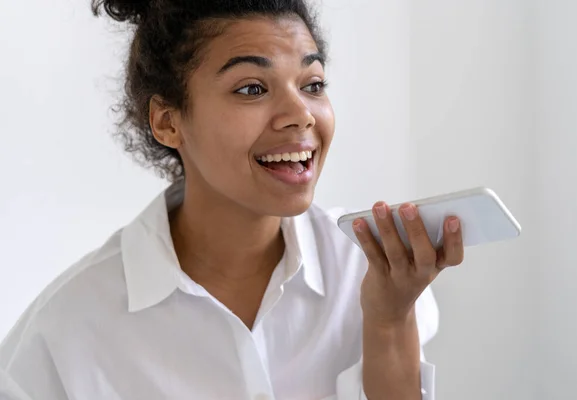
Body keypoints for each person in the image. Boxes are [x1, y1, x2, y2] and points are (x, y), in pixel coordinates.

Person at [0, 0, 465, 399]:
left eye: (313, 84)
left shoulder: (371, 270)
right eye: (252, 89)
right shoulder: (66, 330)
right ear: (168, 121)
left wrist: (388, 322)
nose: (300, 114)